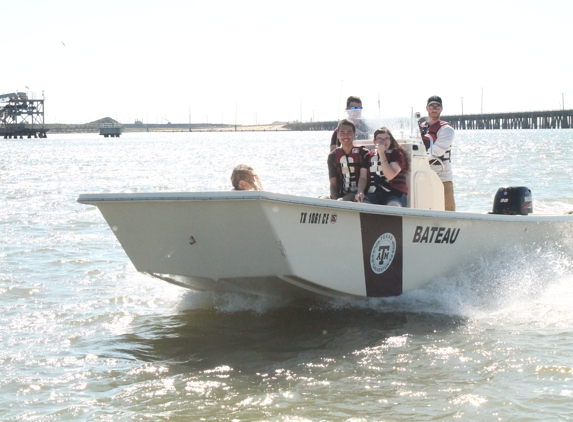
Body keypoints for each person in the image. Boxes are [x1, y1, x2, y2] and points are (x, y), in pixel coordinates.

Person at [419, 95, 456, 211]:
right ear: (427, 108)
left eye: (437, 106)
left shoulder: (447, 130)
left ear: (441, 109)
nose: (434, 109)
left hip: (442, 175)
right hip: (422, 174)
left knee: (448, 209)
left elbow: (437, 150)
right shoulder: (420, 128)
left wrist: (418, 158)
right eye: (431, 106)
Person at [324, 119, 369, 201]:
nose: (346, 136)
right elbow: (333, 184)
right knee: (321, 200)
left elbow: (364, 177)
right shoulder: (332, 156)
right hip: (341, 193)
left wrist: (360, 192)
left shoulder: (363, 153)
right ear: (337, 135)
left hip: (356, 193)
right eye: (342, 133)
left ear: (354, 134)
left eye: (349, 133)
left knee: (341, 201)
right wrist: (334, 200)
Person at [364, 127, 409, 207]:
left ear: (390, 141)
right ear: (374, 141)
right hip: (374, 194)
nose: (383, 141)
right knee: (363, 205)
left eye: (386, 139)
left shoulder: (397, 154)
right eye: (379, 139)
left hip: (395, 194)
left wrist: (381, 153)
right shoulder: (368, 156)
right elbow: (363, 177)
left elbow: (390, 175)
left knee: (393, 206)